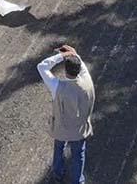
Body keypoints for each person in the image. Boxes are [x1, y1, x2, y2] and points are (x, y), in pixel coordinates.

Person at [37, 45, 95, 184]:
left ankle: (58, 175)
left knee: (59, 149)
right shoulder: (87, 81)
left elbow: (42, 66)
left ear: (65, 70)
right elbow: (82, 67)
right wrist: (74, 54)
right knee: (78, 155)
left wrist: (62, 55)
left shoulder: (57, 87)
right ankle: (77, 181)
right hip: (79, 129)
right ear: (78, 69)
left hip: (61, 128)